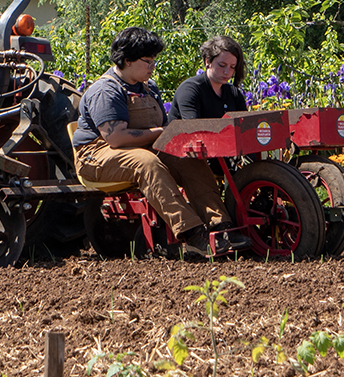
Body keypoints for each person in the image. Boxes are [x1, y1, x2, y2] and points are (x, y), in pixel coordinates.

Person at [72, 26, 245, 260]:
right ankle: (192, 234)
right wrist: (163, 131)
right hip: (97, 155)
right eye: (148, 61)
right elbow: (116, 138)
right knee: (146, 163)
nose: (152, 67)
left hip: (141, 149)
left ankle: (221, 226)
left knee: (186, 158)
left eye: (154, 61)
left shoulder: (148, 88)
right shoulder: (106, 90)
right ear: (126, 60)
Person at [170, 35, 249, 121]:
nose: (227, 72)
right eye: (222, 65)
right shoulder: (189, 90)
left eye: (232, 67)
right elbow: (193, 130)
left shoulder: (233, 93)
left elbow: (245, 127)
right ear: (208, 61)